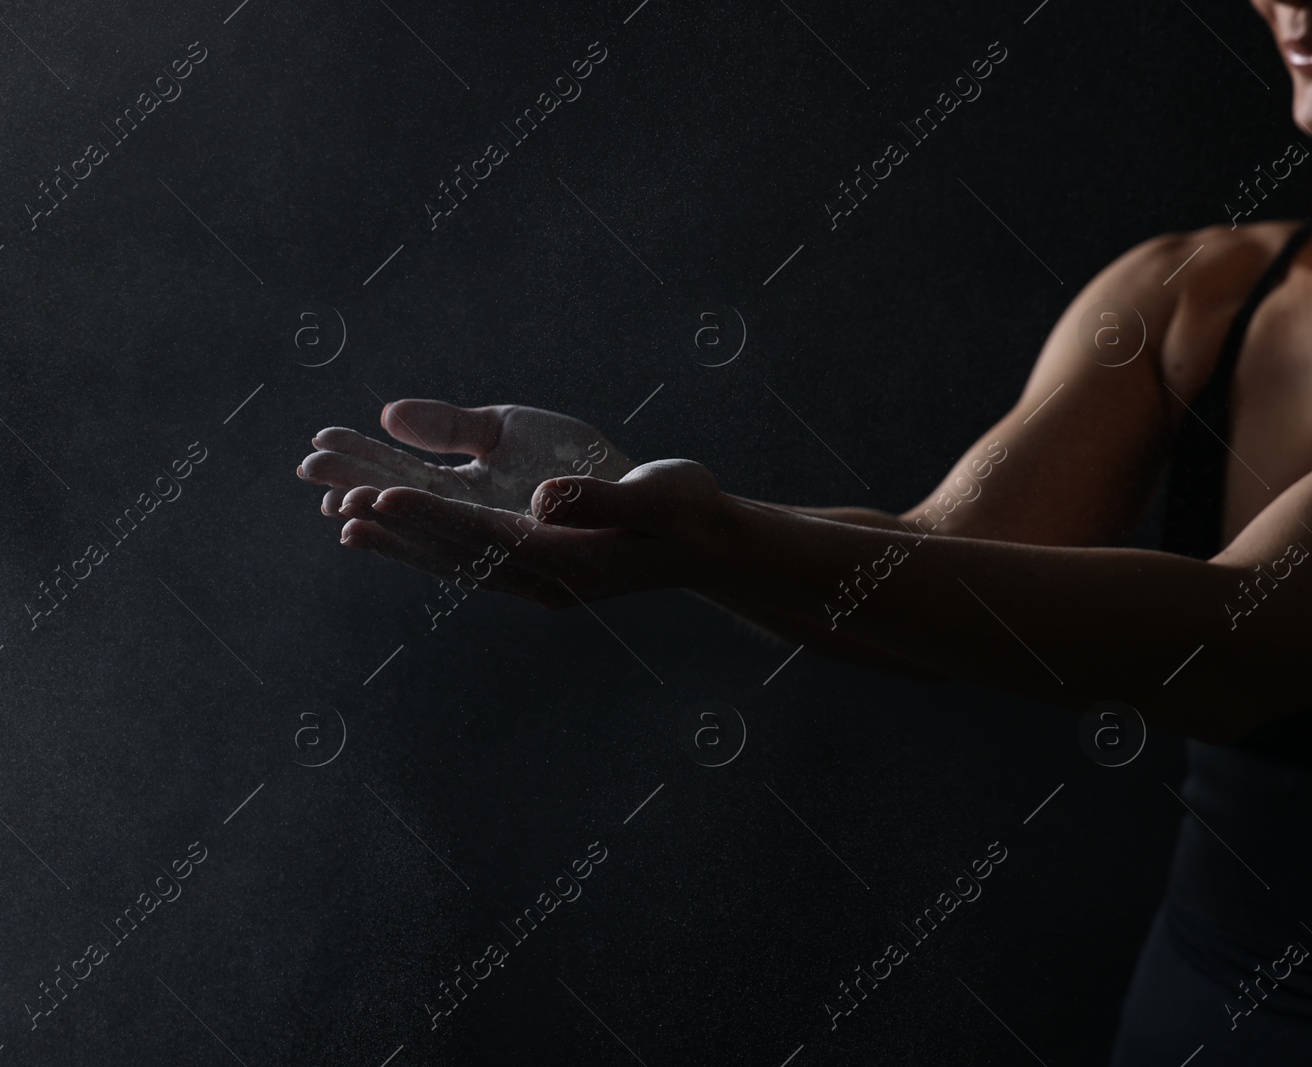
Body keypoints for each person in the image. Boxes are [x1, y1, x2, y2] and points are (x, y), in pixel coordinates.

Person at [298, 1, 1312, 1060]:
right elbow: (919, 576)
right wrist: (628, 505)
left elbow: (1230, 651)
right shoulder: (1196, 291)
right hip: (1196, 1002)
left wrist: (714, 536)